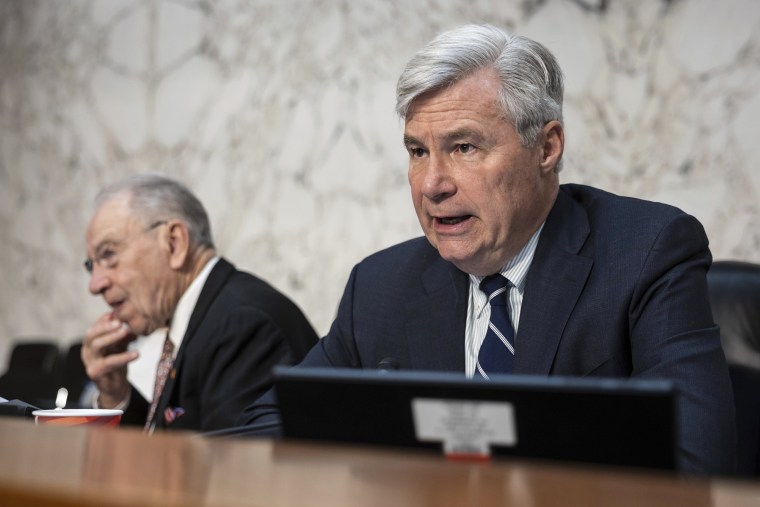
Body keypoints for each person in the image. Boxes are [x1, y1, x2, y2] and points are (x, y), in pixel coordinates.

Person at [239, 24, 735, 474]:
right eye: (417, 151)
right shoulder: (379, 287)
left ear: (547, 148)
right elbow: (266, 428)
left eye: (464, 147)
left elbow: (694, 461)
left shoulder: (645, 252)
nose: (431, 184)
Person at [82, 174, 318, 432]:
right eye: (91, 265)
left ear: (174, 243)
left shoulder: (243, 324)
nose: (95, 285)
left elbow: (225, 466)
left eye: (109, 254)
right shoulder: (206, 314)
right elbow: (173, 442)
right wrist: (117, 396)